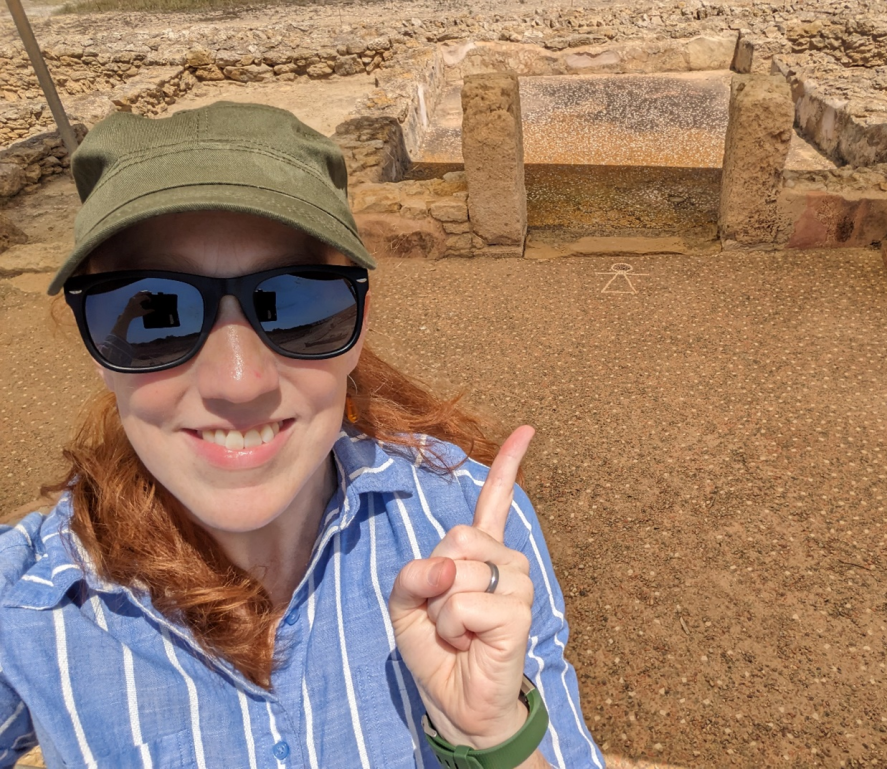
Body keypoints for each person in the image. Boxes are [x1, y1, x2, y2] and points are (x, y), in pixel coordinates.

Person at [0, 102, 604, 769]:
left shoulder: (465, 529)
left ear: (359, 322)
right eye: (154, 314)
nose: (237, 381)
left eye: (294, 302)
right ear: (98, 345)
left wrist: (493, 739)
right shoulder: (27, 603)